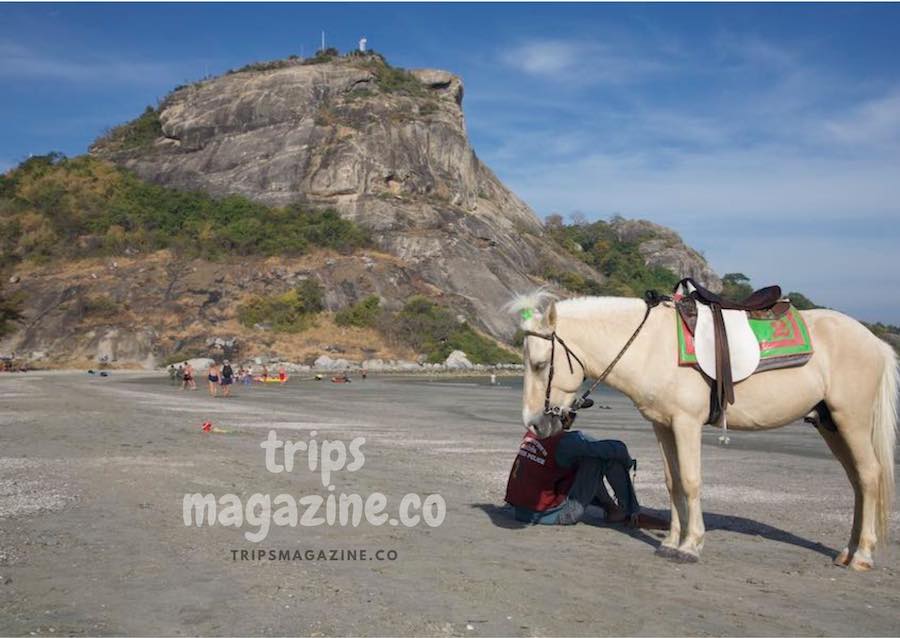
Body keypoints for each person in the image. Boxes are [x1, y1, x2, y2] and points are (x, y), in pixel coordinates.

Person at [505, 412, 665, 528]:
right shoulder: (565, 443)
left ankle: (612, 508)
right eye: (572, 415)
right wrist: (628, 462)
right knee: (598, 458)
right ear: (565, 419)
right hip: (550, 515)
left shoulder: (533, 434)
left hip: (521, 511)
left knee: (587, 456)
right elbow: (618, 449)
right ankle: (630, 512)